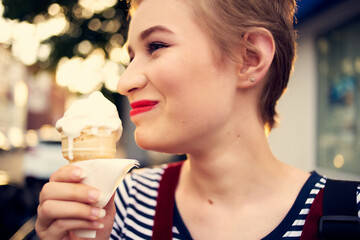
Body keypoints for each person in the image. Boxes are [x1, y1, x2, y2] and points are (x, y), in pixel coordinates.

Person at [35, 0, 360, 239]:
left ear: (250, 58)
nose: (124, 82)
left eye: (157, 46)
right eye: (131, 57)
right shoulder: (118, 205)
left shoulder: (350, 215)